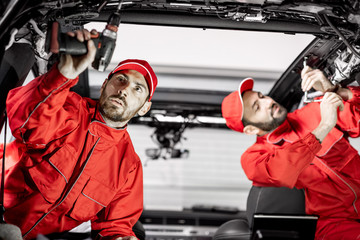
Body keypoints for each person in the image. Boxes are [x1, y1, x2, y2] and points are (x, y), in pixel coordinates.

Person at [1, 29, 158, 239]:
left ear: (144, 108)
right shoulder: (70, 108)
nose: (124, 89)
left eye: (138, 89)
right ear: (105, 85)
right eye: (120, 79)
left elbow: (115, 226)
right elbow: (25, 120)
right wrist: (62, 75)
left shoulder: (128, 168)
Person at [221, 66, 360, 239]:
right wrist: (324, 126)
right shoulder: (255, 158)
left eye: (262, 96)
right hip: (334, 223)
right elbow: (283, 170)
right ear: (250, 129)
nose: (268, 102)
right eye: (257, 107)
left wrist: (333, 90)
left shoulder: (312, 112)